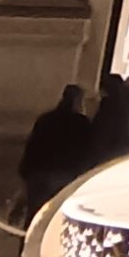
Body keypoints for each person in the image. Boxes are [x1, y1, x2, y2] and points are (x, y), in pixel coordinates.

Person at [18, 85, 96, 224]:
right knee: (55, 219)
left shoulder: (46, 119)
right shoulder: (80, 124)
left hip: (40, 173)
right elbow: (86, 151)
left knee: (35, 217)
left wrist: (26, 173)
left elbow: (33, 146)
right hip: (64, 174)